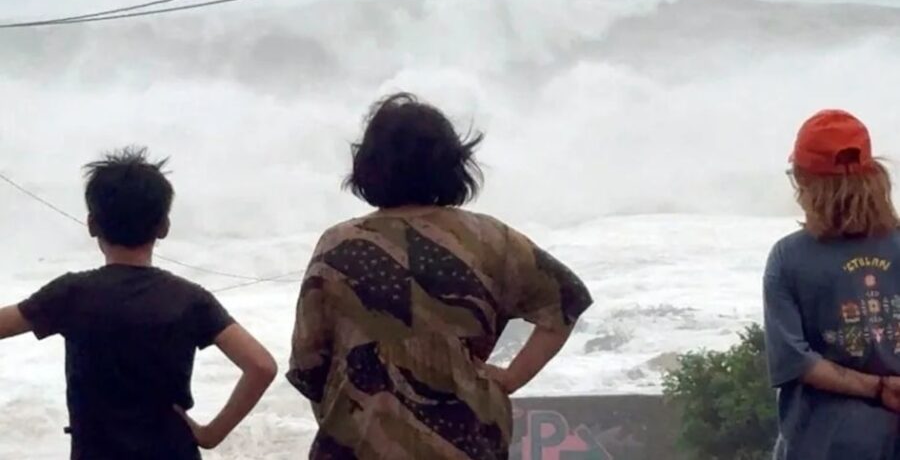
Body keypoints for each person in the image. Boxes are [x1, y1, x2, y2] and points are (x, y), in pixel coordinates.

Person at [288, 92, 593, 460]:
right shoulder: (491, 239)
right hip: (467, 443)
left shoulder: (338, 246)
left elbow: (308, 362)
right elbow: (567, 300)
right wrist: (512, 377)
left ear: (370, 165)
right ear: (452, 164)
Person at [0, 148, 277, 460]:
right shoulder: (188, 299)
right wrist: (211, 435)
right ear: (163, 227)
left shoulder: (71, 293)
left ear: (92, 225)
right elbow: (261, 365)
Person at [764, 109, 900, 459]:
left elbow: (795, 361)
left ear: (804, 182)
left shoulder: (788, 258)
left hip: (823, 445)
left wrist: (876, 388)